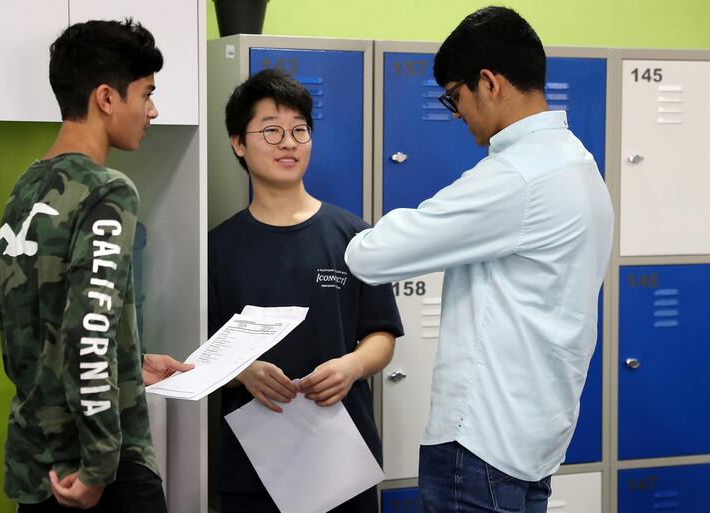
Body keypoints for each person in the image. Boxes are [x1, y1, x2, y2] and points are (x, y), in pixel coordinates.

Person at [344, 6, 614, 513]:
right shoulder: (580, 163)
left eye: (454, 98)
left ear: (487, 83)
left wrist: (338, 227)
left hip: (481, 448)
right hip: (535, 442)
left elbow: (372, 256)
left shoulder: (515, 177)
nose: (457, 115)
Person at [0, 19, 193, 512]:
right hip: (101, 469)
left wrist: (134, 364)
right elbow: (88, 333)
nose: (152, 110)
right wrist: (100, 466)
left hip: (37, 460)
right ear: (106, 98)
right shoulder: (108, 190)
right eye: (145, 94)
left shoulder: (26, 187)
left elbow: (41, 333)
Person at [208, 69, 404, 512]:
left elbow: (382, 336)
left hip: (341, 456)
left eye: (299, 130)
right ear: (239, 143)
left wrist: (351, 366)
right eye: (272, 130)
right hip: (254, 463)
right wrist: (243, 370)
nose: (288, 142)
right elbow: (201, 348)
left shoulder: (353, 236)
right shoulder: (217, 248)